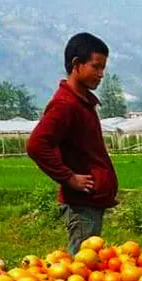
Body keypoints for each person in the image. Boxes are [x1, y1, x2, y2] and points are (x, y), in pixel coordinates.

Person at [27, 32, 118, 255]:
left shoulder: (82, 102)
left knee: (89, 262)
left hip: (91, 203)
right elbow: (37, 145)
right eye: (96, 67)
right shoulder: (65, 105)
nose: (101, 74)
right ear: (76, 64)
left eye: (103, 68)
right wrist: (69, 178)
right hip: (82, 205)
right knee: (81, 266)